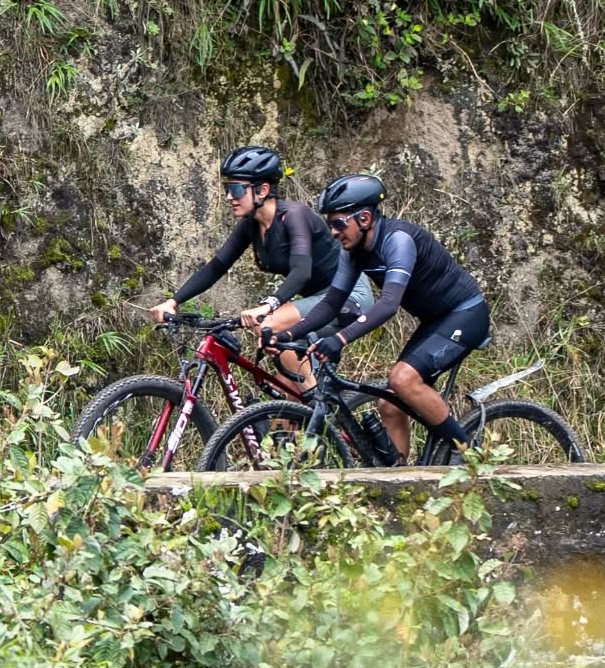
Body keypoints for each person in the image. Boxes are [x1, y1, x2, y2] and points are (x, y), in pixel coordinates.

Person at [268, 173, 490, 459]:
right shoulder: (354, 252)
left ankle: (472, 456)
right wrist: (286, 335)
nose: (333, 232)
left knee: (403, 379)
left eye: (338, 223)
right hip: (436, 321)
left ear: (363, 218)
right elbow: (331, 303)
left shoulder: (398, 240)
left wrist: (340, 338)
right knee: (390, 407)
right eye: (329, 224)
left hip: (465, 313)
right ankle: (398, 482)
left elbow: (388, 304)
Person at [148, 147, 374, 387]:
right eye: (227, 189)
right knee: (283, 390)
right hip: (317, 300)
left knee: (270, 325)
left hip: (348, 296)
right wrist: (174, 301)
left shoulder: (294, 216)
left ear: (263, 190)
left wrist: (268, 305)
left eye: (235, 189)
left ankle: (317, 408)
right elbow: (216, 267)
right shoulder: (251, 225)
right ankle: (303, 410)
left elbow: (301, 271)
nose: (229, 197)